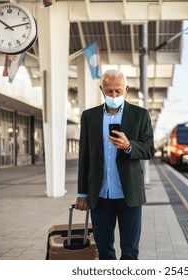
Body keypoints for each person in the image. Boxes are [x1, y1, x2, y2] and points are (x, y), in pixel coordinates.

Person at [75, 69, 155, 260]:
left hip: (129, 194)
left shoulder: (140, 115)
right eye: (109, 91)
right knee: (104, 250)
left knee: (130, 251)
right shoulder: (89, 116)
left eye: (118, 91)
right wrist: (82, 193)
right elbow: (84, 156)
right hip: (100, 195)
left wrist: (129, 146)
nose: (113, 95)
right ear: (102, 89)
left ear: (126, 89)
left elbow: (149, 149)